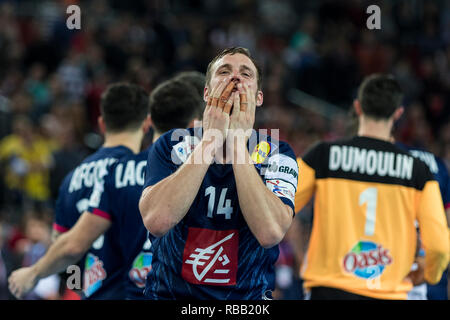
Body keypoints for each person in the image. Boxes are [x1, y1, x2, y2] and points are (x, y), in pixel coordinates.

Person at [139, 47, 299, 300]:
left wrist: (237, 143)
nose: (235, 78)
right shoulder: (171, 145)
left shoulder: (277, 151)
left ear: (258, 98)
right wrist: (210, 140)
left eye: (245, 74)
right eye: (224, 72)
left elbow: (270, 232)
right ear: (206, 93)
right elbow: (157, 221)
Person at [294, 73, 449, 300]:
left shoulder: (322, 155)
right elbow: (439, 247)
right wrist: (428, 274)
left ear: (358, 108)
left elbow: (281, 208)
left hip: (328, 288)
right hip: (388, 291)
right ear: (397, 114)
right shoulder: (419, 171)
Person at [8, 82, 151, 299]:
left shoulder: (72, 179)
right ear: (146, 124)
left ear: (102, 124)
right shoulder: (148, 170)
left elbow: (65, 252)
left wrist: (79, 290)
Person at [86, 78, 204, 299]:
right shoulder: (210, 173)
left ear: (149, 121)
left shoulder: (117, 170)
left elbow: (79, 241)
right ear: (195, 125)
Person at [395, 141, 450, 300]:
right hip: (430, 269)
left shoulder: (391, 156)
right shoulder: (438, 164)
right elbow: (447, 220)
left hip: (393, 266)